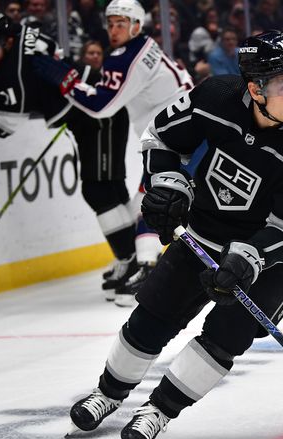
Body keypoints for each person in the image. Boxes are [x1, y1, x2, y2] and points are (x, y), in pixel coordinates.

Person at [66, 30, 283, 439]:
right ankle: (109, 394)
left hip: (274, 258)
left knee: (224, 336)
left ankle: (158, 412)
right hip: (206, 233)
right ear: (255, 89)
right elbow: (160, 137)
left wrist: (249, 259)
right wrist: (171, 185)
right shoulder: (215, 97)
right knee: (153, 315)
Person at [0, 14, 134, 297]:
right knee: (110, 187)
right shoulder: (24, 32)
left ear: (7, 41)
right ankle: (135, 258)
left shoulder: (12, 77)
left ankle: (133, 263)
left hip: (96, 117)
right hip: (98, 108)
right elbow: (44, 48)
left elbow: (5, 126)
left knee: (99, 191)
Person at [66, 0, 194, 306]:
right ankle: (145, 268)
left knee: (151, 204)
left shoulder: (128, 56)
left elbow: (102, 106)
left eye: (121, 23)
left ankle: (149, 272)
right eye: (110, 24)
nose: (114, 29)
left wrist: (65, 82)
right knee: (148, 204)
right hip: (179, 133)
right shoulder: (142, 47)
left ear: (136, 25)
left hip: (178, 138)